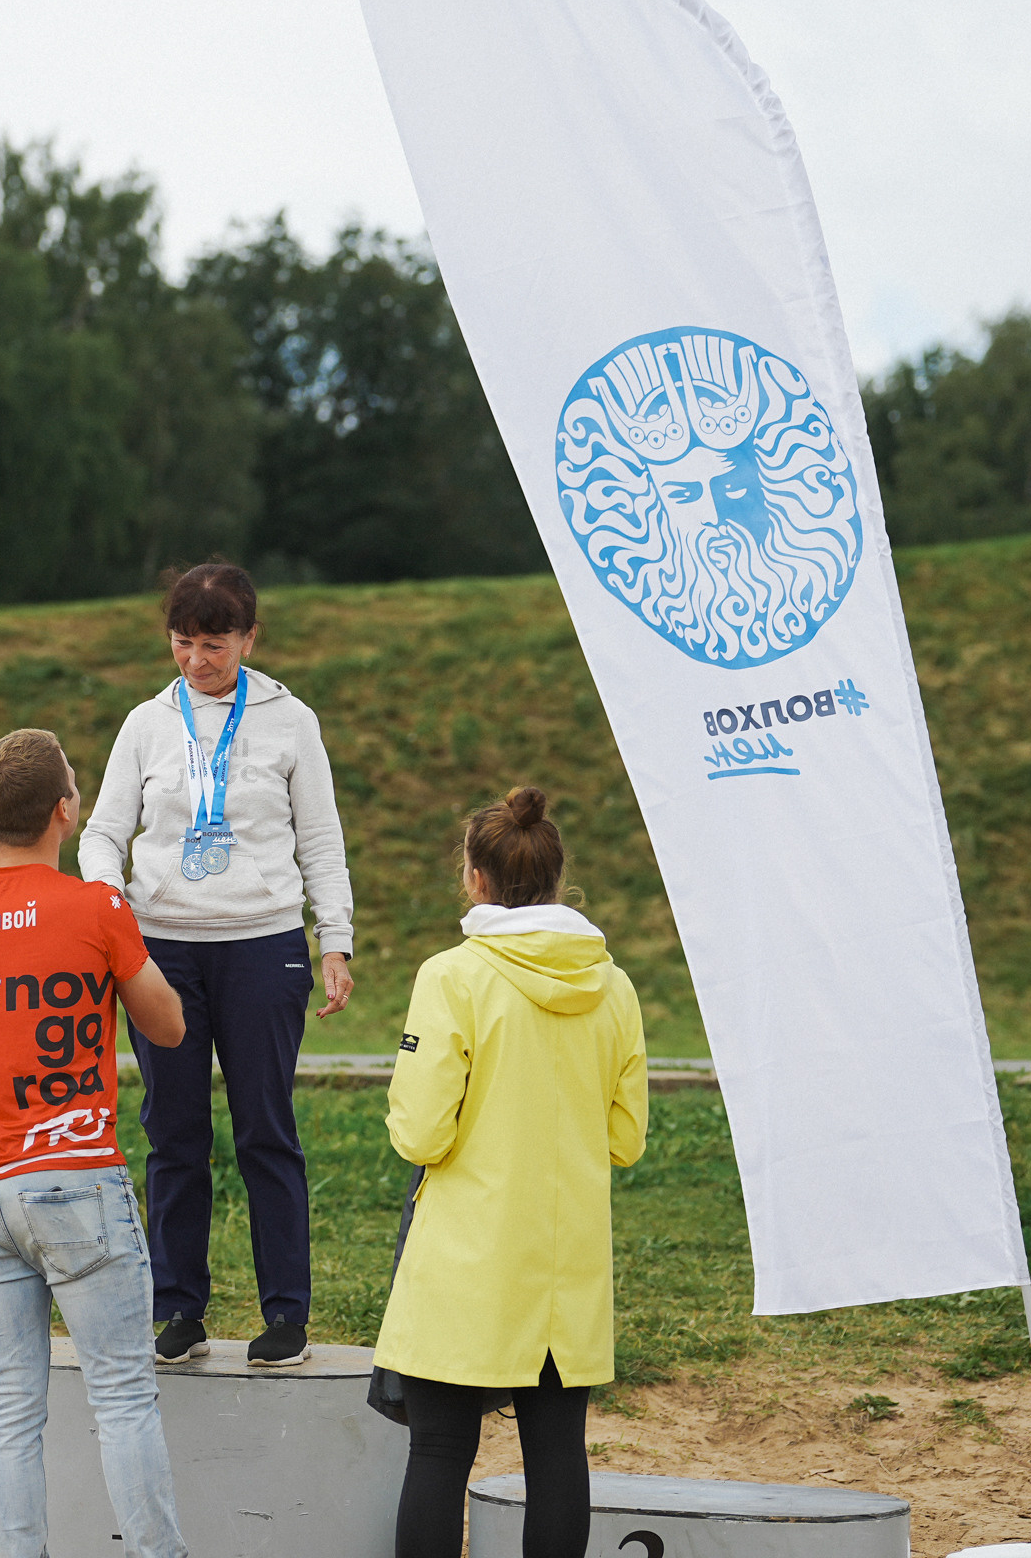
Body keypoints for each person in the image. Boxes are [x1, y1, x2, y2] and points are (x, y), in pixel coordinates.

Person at [0, 730, 191, 1558]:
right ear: (65, 812)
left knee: (7, 1411)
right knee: (123, 1399)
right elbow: (169, 1027)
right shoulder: (95, 907)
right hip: (75, 1180)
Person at [78, 562, 356, 1368]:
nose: (198, 660)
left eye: (215, 643)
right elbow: (102, 831)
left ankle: (286, 1316)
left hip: (263, 944)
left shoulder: (288, 719)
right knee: (173, 1134)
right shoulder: (145, 724)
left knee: (266, 1132)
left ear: (249, 637)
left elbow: (321, 841)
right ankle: (179, 1311)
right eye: (182, 642)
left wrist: (331, 939)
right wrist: (109, 904)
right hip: (160, 949)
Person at [376, 787, 647, 1558]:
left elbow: (422, 1132)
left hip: (466, 1260)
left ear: (474, 878)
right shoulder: (614, 986)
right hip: (567, 1271)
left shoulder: (451, 977)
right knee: (558, 1458)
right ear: (560, 879)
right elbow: (625, 1139)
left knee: (437, 1454)